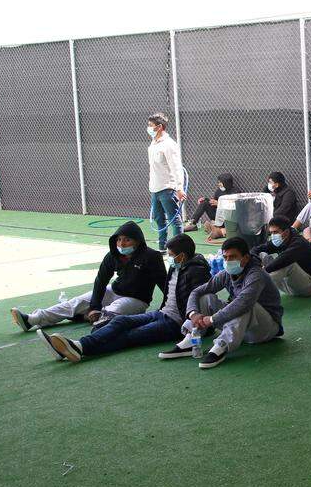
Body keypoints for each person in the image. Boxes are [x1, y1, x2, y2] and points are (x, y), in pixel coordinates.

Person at [36, 234, 211, 362]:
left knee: (130, 336)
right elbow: (168, 293)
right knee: (120, 322)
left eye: (172, 255)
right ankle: (75, 347)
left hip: (175, 323)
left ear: (182, 255)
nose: (169, 258)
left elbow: (196, 302)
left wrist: (189, 327)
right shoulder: (177, 267)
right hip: (162, 313)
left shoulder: (197, 272)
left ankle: (80, 348)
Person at [11, 221, 165, 332]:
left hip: (136, 300)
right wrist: (94, 307)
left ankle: (88, 319)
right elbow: (101, 280)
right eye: (118, 239)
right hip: (114, 290)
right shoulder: (112, 256)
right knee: (76, 302)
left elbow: (164, 283)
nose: (121, 244)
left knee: (108, 317)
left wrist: (167, 309)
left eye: (127, 239)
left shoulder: (152, 256)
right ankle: (32, 319)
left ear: (137, 241)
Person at [160, 237, 283, 369]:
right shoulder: (226, 274)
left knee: (245, 305)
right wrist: (193, 314)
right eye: (225, 257)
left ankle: (221, 347)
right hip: (242, 330)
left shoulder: (256, 275)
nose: (228, 261)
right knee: (206, 297)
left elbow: (243, 303)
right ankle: (191, 340)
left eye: (233, 257)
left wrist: (212, 319)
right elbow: (196, 292)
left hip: (264, 330)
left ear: (246, 258)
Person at [252, 216, 311, 296]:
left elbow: (282, 260)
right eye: (271, 233)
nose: (273, 235)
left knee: (288, 264)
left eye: (275, 232)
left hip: (308, 287)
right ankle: (251, 282)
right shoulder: (281, 239)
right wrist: (256, 261)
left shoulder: (299, 243)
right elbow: (256, 249)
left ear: (286, 232)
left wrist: (262, 271)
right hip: (288, 286)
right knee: (262, 254)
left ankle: (252, 288)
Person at [146, 113, 186, 250]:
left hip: (167, 189)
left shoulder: (169, 145)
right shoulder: (153, 143)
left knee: (175, 220)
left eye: (151, 126)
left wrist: (179, 189)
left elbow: (176, 168)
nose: (148, 128)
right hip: (155, 189)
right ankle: (162, 247)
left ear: (160, 127)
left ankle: (179, 249)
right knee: (159, 219)